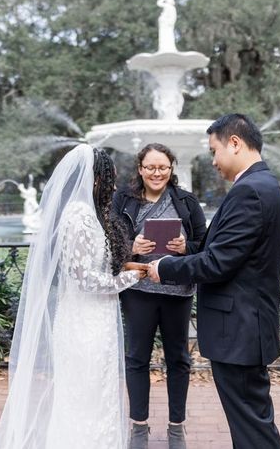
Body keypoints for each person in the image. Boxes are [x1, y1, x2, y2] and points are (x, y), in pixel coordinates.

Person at [0, 145, 149, 449]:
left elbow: (95, 265)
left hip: (97, 320)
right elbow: (84, 279)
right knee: (83, 394)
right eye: (110, 179)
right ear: (94, 180)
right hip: (83, 324)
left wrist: (126, 265)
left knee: (98, 392)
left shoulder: (89, 215)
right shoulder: (78, 218)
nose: (114, 186)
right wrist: (131, 277)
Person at [147, 114, 280, 449]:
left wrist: (164, 267)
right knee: (253, 421)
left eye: (214, 150)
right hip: (245, 327)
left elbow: (218, 262)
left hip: (239, 328)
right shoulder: (264, 185)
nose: (213, 161)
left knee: (251, 427)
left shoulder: (250, 191)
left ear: (235, 143)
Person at [112, 143, 207, 449]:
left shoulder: (186, 201)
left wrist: (185, 248)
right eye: (150, 167)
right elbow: (111, 246)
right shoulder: (123, 200)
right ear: (140, 169)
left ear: (171, 169)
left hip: (177, 290)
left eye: (163, 167)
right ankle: (139, 427)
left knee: (178, 359)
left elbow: (204, 244)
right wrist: (133, 247)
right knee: (136, 358)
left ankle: (176, 427)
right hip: (138, 289)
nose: (157, 173)